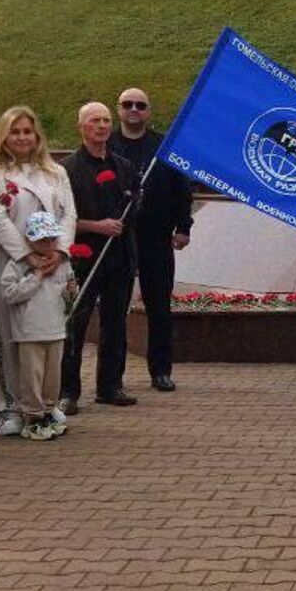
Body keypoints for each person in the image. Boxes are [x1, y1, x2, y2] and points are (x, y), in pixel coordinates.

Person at [0, 107, 77, 436]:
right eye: (15, 131)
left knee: (48, 336)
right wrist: (26, 255)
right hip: (10, 260)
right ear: (4, 135)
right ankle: (10, 405)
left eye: (27, 131)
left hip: (51, 262)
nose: (22, 137)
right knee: (7, 335)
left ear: (37, 136)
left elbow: (68, 215)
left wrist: (59, 251)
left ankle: (44, 404)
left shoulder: (54, 172)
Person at [110, 87, 194, 393]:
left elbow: (182, 189)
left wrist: (183, 226)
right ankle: (112, 375)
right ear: (118, 109)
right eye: (127, 104)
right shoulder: (107, 146)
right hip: (117, 237)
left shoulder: (164, 147)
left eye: (140, 105)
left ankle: (161, 370)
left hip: (156, 236)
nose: (134, 110)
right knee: (115, 308)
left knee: (159, 306)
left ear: (149, 111)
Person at [62, 101, 140, 412]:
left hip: (119, 258)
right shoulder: (66, 170)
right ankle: (68, 391)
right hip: (83, 258)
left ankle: (110, 385)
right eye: (95, 120)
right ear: (81, 126)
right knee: (74, 325)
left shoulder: (124, 167)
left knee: (115, 324)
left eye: (106, 120)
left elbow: (135, 209)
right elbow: (61, 218)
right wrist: (97, 226)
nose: (102, 126)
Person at [1, 212, 78, 440]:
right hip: (29, 332)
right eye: (42, 240)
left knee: (52, 376)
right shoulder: (18, 264)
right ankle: (33, 415)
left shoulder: (63, 263)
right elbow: (9, 293)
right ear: (29, 240)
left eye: (52, 239)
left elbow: (67, 291)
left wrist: (71, 290)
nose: (48, 245)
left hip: (55, 328)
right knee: (31, 376)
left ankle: (48, 409)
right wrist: (35, 277)